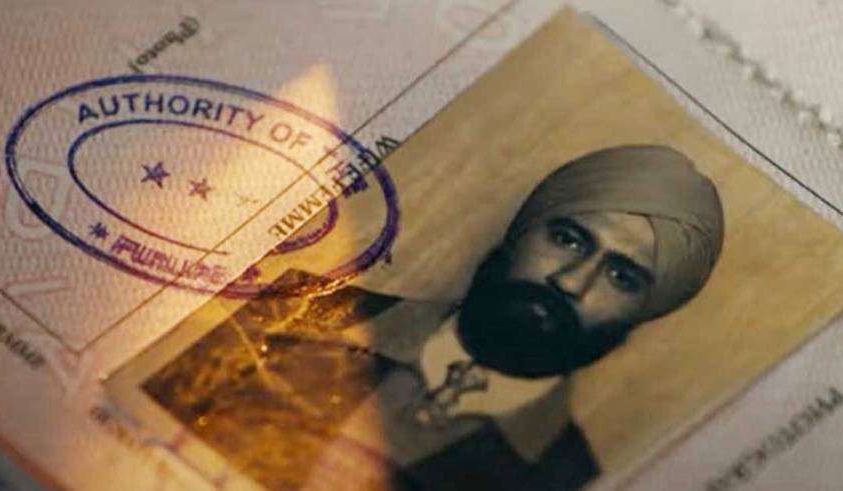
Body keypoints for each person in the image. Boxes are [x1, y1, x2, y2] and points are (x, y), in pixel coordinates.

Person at [144, 145, 725, 491]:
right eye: (568, 239)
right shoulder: (293, 312)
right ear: (522, 233)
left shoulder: (565, 479)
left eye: (622, 277)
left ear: (643, 313)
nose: (572, 282)